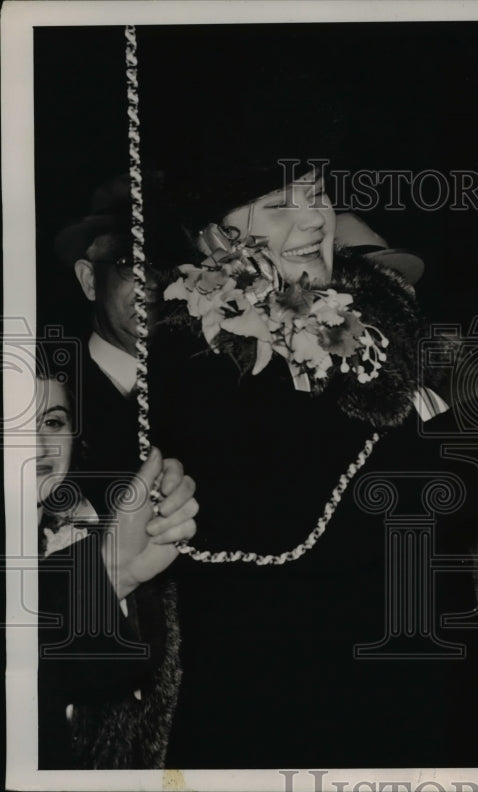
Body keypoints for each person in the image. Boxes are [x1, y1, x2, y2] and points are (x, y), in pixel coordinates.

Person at [149, 161, 478, 768]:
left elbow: (430, 510)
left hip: (416, 709)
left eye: (317, 194)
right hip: (294, 725)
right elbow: (321, 519)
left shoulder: (355, 331)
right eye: (279, 205)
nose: (315, 218)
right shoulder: (198, 353)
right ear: (215, 238)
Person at [43, 174, 199, 768]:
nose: (154, 283)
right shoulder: (46, 393)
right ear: (88, 278)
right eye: (131, 262)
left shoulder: (207, 394)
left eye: (166, 266)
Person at [35, 354, 199, 769]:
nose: (37, 445)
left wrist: (119, 572)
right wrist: (109, 571)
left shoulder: (84, 539)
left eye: (53, 422)